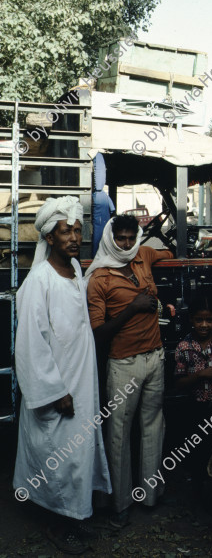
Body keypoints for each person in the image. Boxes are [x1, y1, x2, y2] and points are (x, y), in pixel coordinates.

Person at [13, 196, 111, 555]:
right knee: (58, 456)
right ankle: (58, 524)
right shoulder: (39, 281)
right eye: (64, 231)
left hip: (81, 382)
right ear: (49, 238)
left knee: (76, 455)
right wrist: (55, 391)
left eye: (77, 230)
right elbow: (30, 344)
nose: (73, 237)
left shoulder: (75, 271)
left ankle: (74, 518)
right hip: (59, 388)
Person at [86, 214, 174, 528]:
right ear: (110, 238)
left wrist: (160, 248)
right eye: (120, 238)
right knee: (119, 435)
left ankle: (150, 495)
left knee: (153, 427)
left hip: (154, 357)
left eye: (130, 237)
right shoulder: (100, 278)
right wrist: (132, 308)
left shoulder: (142, 254)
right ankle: (120, 504)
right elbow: (97, 334)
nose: (125, 244)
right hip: (123, 364)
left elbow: (168, 254)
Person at [174, 296, 212, 489]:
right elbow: (179, 383)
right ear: (191, 319)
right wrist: (200, 375)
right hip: (196, 409)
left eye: (209, 320)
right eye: (199, 320)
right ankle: (200, 488)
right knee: (198, 449)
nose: (204, 325)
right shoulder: (184, 347)